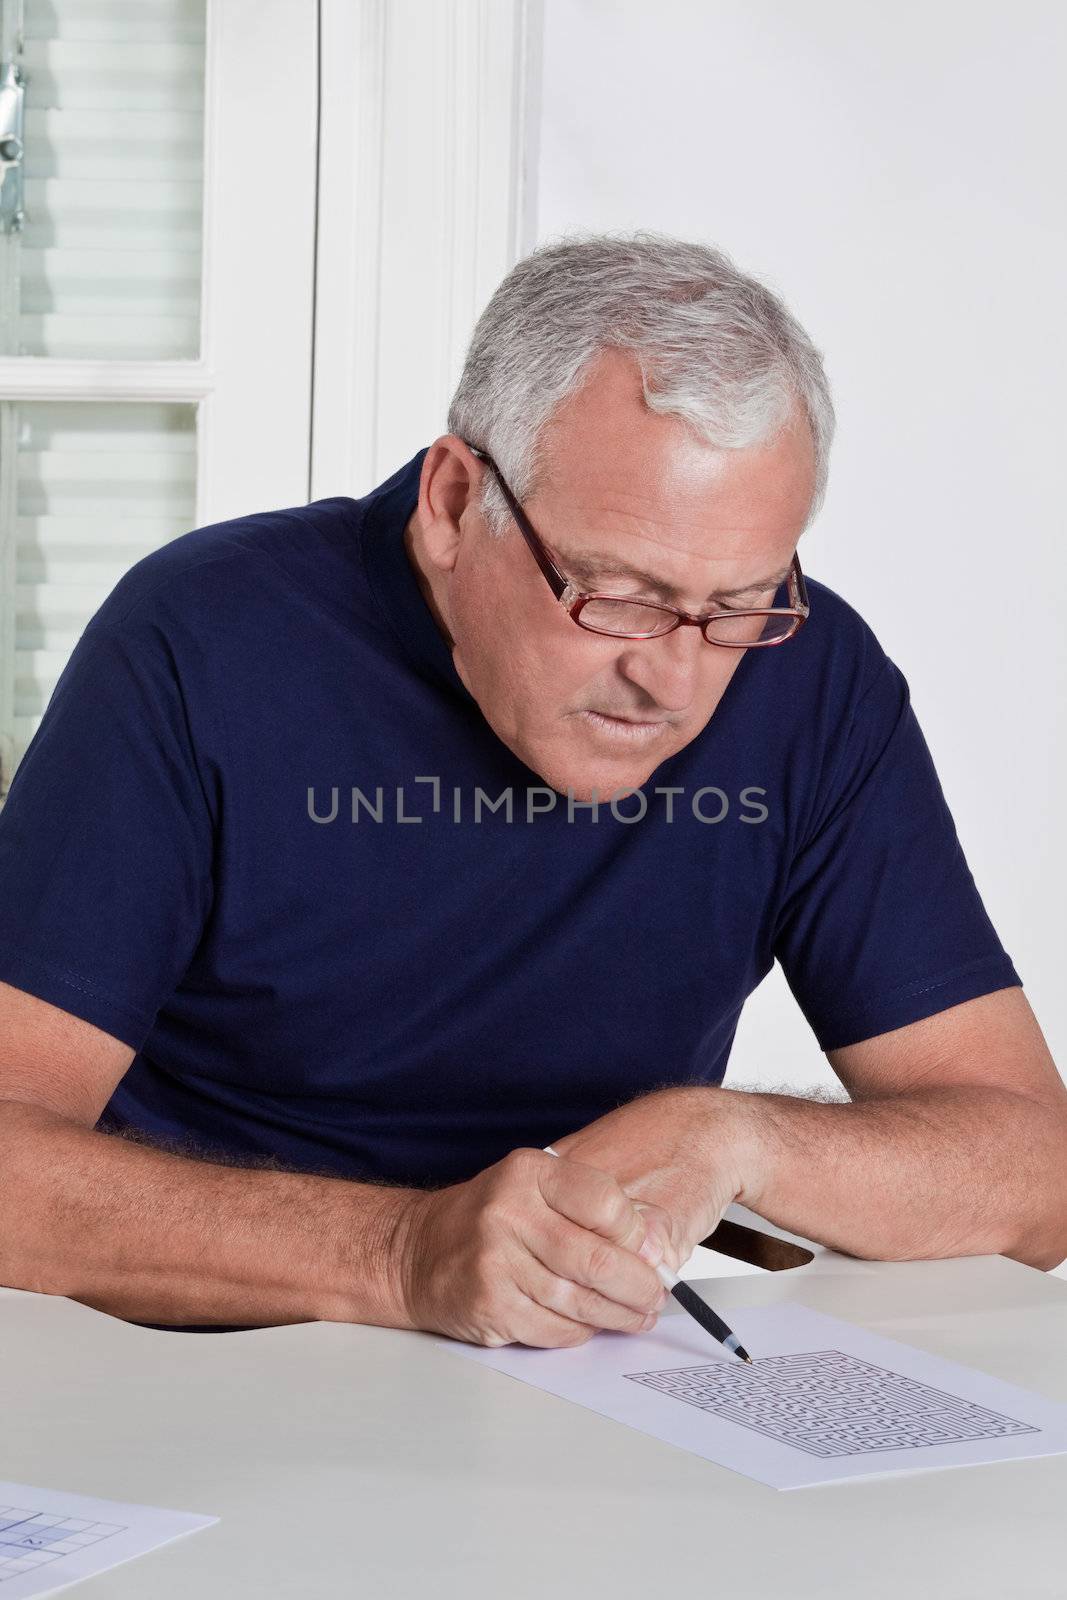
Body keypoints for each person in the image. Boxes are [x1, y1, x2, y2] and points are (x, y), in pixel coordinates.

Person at [0, 234, 1064, 1346]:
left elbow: (1035, 1178)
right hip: (201, 1364)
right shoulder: (202, 640)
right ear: (455, 503)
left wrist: (733, 1137)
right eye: (618, 595)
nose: (673, 676)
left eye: (739, 602)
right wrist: (402, 1252)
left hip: (575, 1379)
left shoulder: (810, 675)